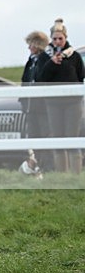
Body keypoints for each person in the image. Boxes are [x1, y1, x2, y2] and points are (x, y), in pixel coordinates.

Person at [36, 18, 84, 173]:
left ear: (65, 38)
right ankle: (61, 174)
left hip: (73, 103)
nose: (57, 42)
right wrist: (51, 63)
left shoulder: (74, 56)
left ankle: (75, 174)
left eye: (60, 39)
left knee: (72, 137)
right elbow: (40, 78)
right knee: (57, 138)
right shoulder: (44, 57)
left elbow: (80, 76)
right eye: (55, 39)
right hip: (53, 103)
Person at [20, 31, 51, 171]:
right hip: (30, 107)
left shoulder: (45, 60)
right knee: (34, 137)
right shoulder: (31, 61)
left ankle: (47, 167)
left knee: (45, 136)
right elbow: (25, 80)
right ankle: (39, 165)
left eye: (31, 44)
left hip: (42, 108)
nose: (29, 47)